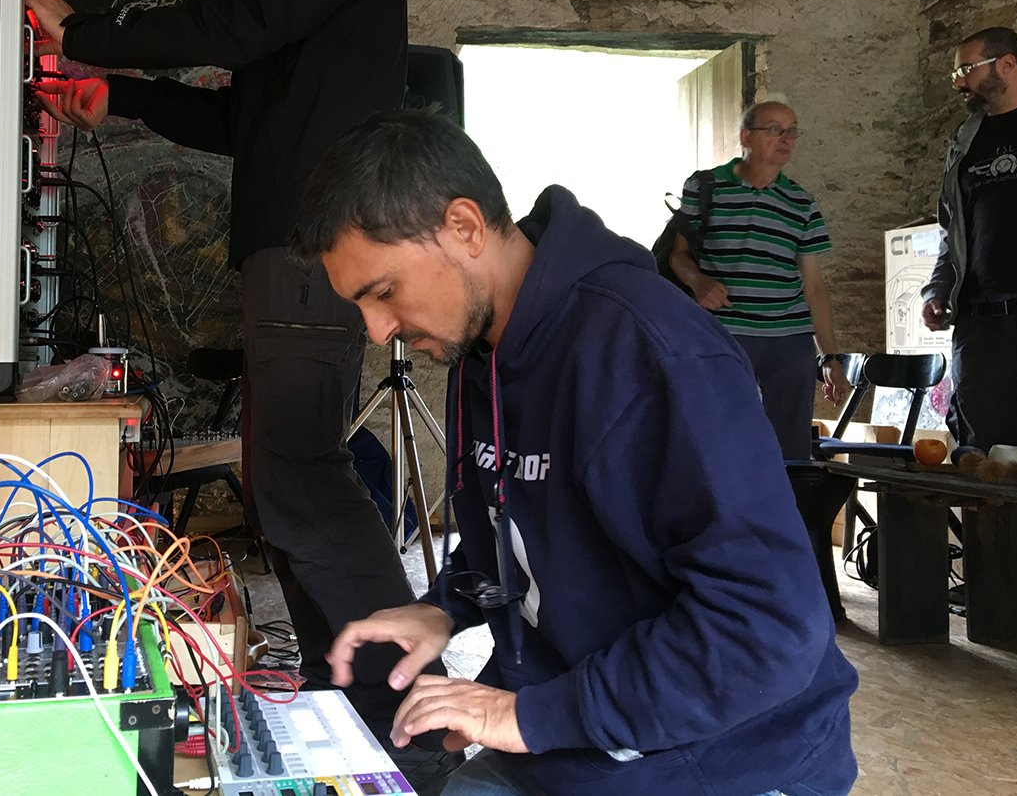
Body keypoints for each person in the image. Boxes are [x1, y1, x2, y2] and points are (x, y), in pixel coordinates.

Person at [22, 0, 450, 777]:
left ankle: (406, 716)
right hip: (292, 245)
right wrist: (117, 94)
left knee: (299, 469)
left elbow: (243, 23)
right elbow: (238, 121)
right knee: (284, 476)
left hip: (314, 243)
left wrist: (85, 31)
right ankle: (360, 698)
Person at [292, 109, 859, 796]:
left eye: (384, 292)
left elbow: (768, 628)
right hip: (579, 739)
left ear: (464, 227)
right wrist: (444, 606)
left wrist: (530, 716)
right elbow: (529, 526)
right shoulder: (485, 351)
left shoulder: (652, 352)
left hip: (730, 760)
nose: (380, 331)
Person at [668, 101, 849, 462]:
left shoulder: (801, 203)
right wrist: (699, 282)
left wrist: (830, 358)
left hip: (789, 340)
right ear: (745, 137)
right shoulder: (705, 186)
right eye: (775, 129)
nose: (786, 139)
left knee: (790, 447)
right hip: (724, 333)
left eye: (792, 131)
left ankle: (785, 500)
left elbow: (815, 287)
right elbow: (677, 255)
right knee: (716, 437)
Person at [922, 27, 1017, 450]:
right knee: (986, 457)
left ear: (1007, 64)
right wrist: (938, 288)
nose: (958, 82)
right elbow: (952, 231)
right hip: (981, 325)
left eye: (966, 69)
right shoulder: (964, 141)